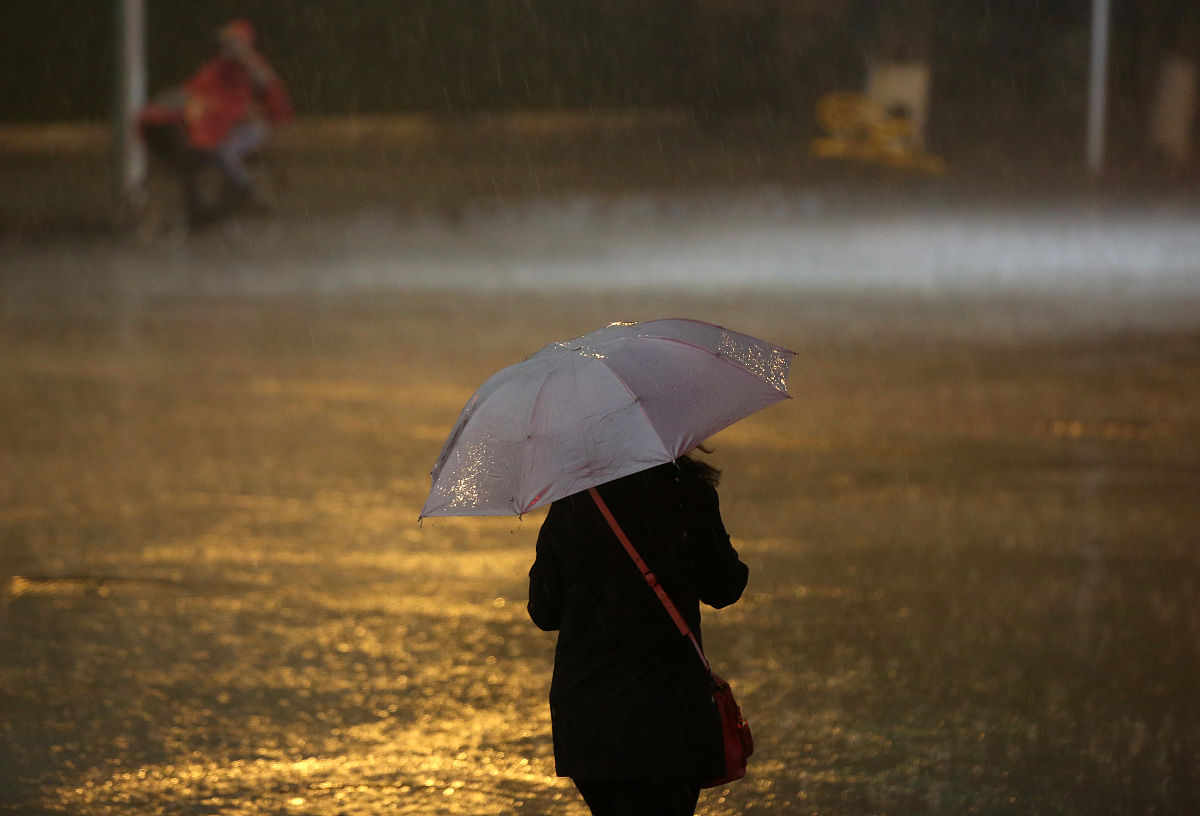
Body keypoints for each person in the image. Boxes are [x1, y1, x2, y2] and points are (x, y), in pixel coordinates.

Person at [527, 454, 749, 816]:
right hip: (670, 715)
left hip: (591, 719)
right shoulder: (687, 493)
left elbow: (543, 610)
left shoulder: (576, 501)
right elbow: (725, 587)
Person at [179, 18, 293, 225]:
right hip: (219, 126)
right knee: (186, 163)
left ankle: (246, 189)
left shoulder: (251, 64)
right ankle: (198, 213)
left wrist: (243, 58)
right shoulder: (217, 67)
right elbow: (195, 87)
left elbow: (267, 82)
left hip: (248, 127)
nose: (226, 46)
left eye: (232, 42)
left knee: (223, 151)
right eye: (225, 42)